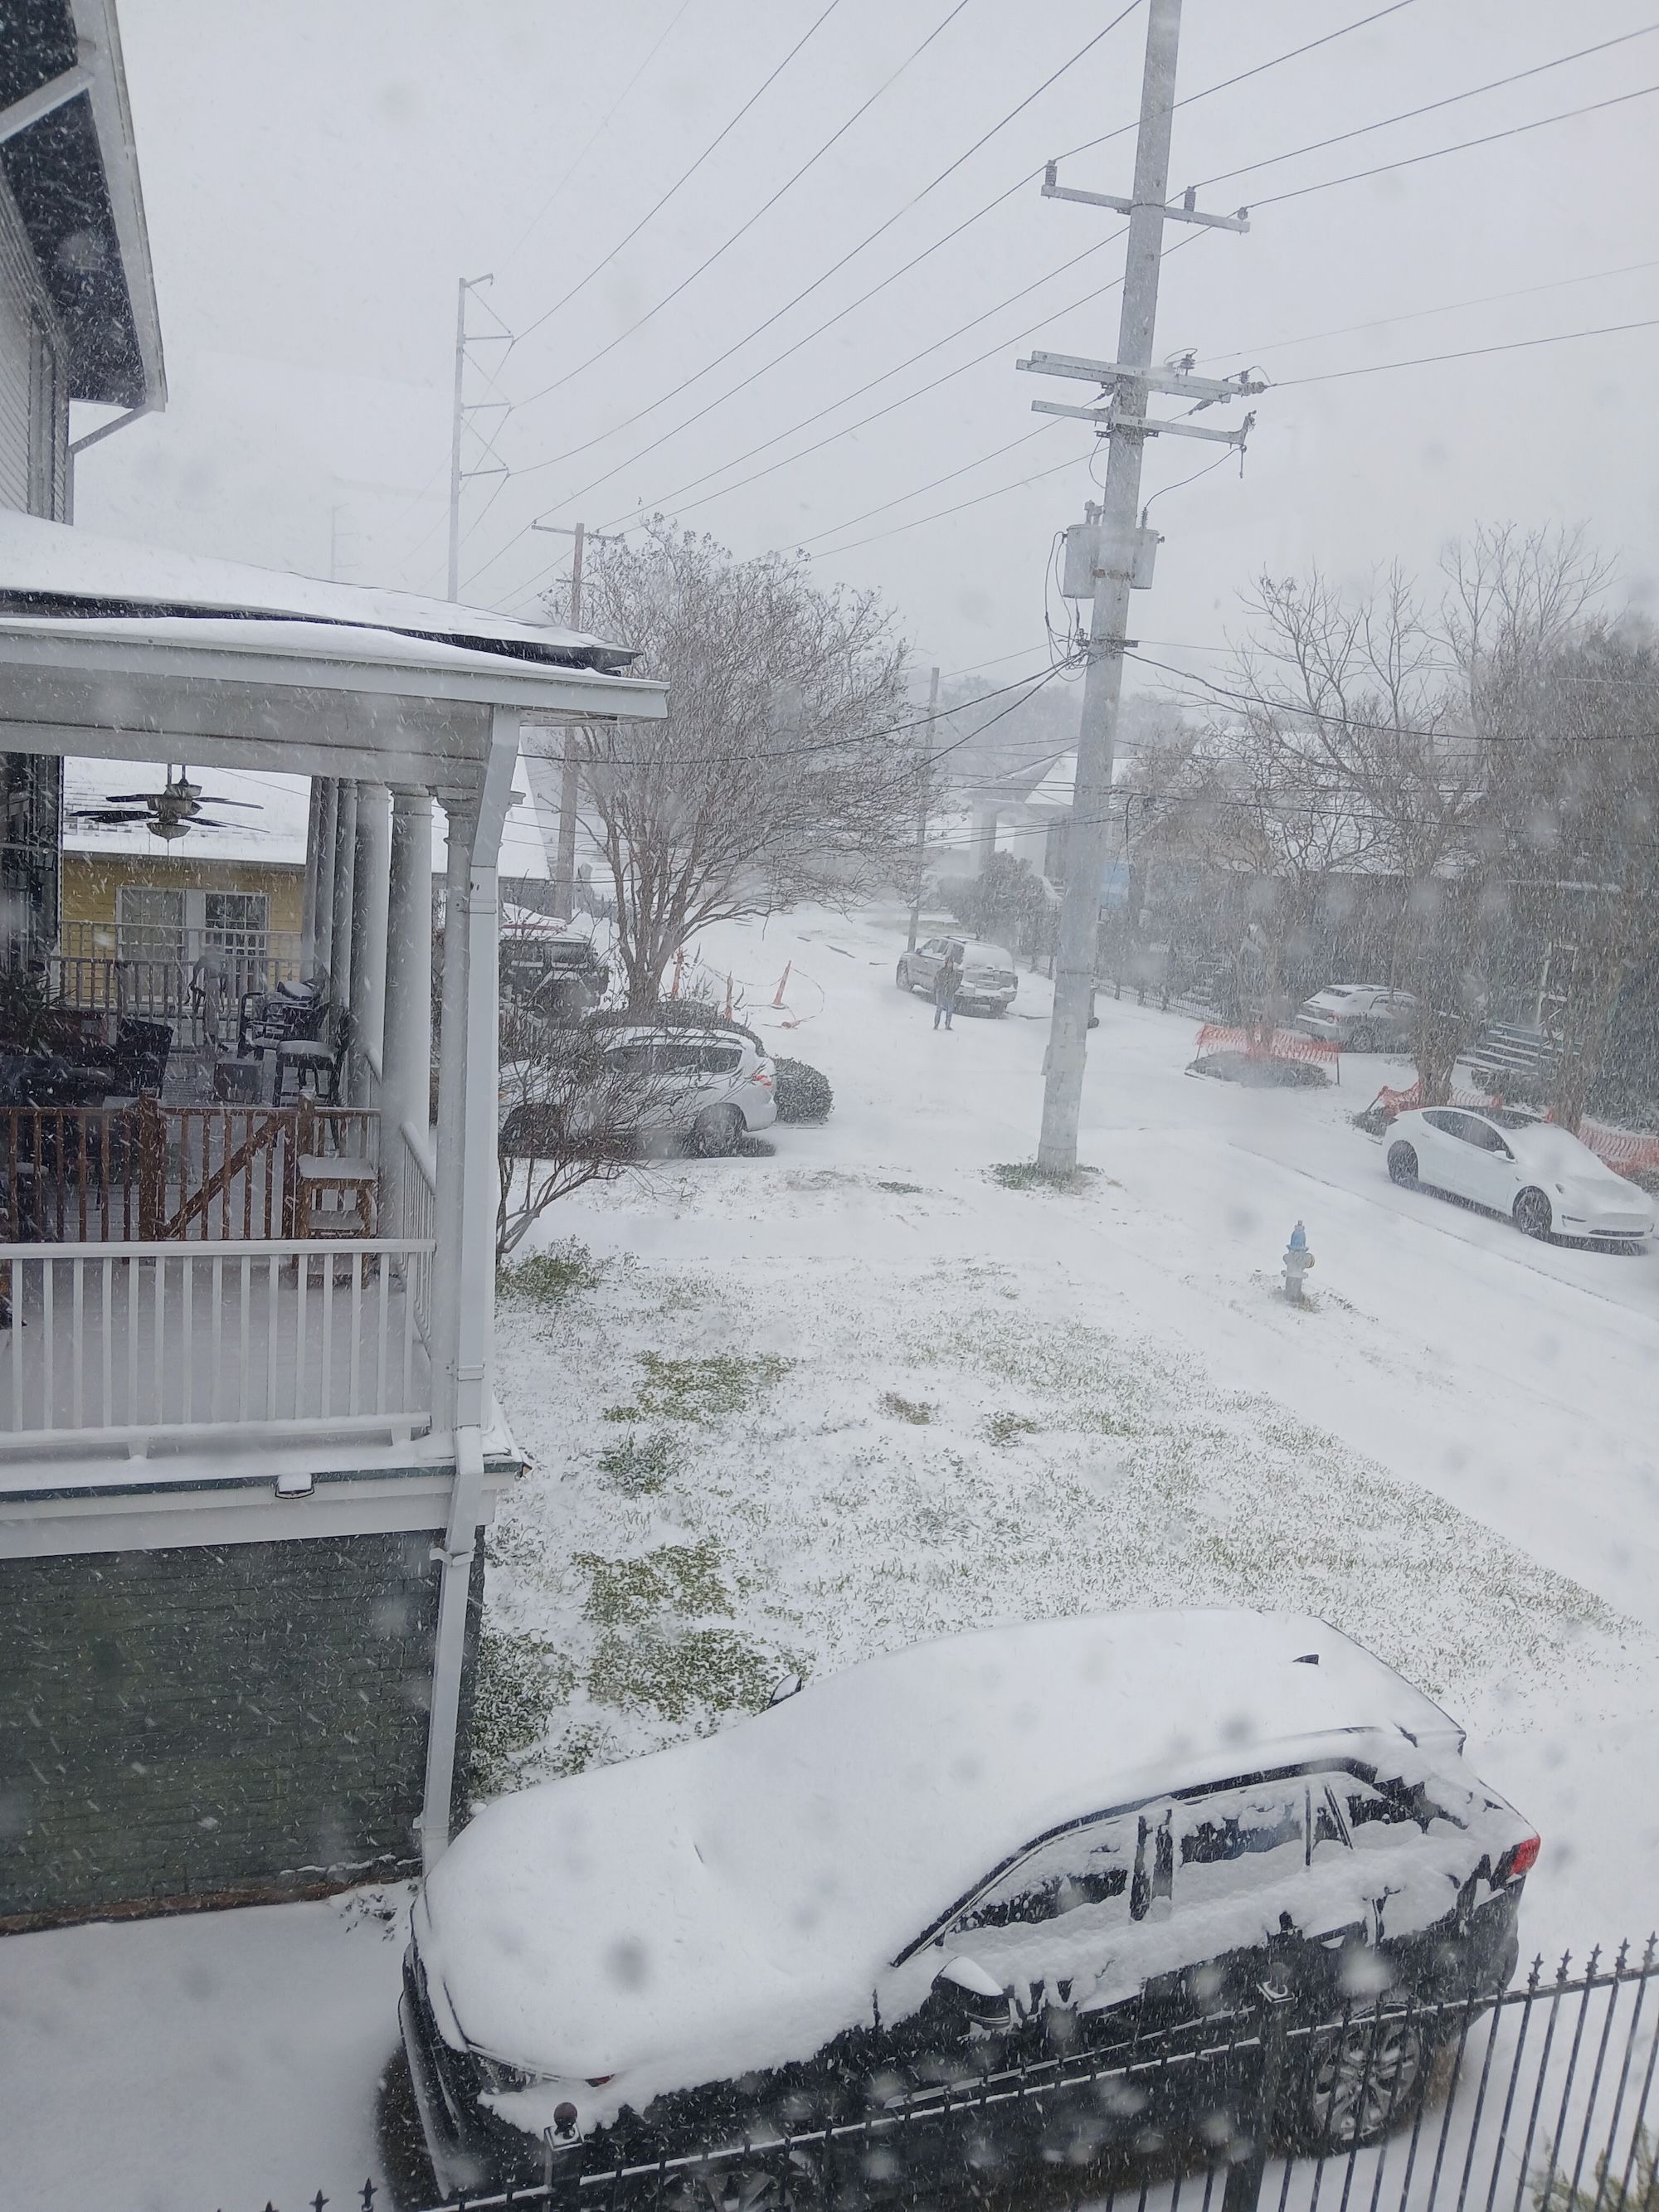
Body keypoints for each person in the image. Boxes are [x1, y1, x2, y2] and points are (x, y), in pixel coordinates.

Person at [933, 945, 962, 1031]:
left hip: (950, 993)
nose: (950, 964)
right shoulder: (941, 972)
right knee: (939, 1010)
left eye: (951, 963)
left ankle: (948, 1024)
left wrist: (953, 989)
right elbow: (936, 980)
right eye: (949, 963)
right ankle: (936, 1024)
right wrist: (938, 988)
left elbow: (957, 982)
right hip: (941, 993)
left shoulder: (954, 974)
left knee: (950, 1010)